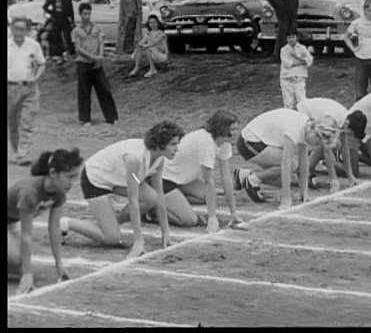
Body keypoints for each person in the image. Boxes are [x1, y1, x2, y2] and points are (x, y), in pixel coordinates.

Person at [60, 122, 184, 259]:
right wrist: (138, 240)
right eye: (173, 144)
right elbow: (133, 200)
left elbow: (160, 195)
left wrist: (165, 231)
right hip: (94, 181)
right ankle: (65, 223)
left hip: (115, 179)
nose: (177, 149)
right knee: (111, 239)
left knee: (152, 198)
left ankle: (111, 224)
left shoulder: (159, 159)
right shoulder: (134, 159)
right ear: (160, 144)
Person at [8, 148, 83, 295]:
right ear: (53, 173)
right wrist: (27, 273)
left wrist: (59, 264)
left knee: (19, 262)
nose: (72, 182)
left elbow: (54, 228)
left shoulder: (59, 194)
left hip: (11, 223)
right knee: (18, 261)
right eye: (69, 177)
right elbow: (26, 234)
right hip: (12, 223)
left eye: (75, 177)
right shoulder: (29, 191)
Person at [156, 110, 241, 233]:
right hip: (164, 178)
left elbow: (226, 177)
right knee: (189, 220)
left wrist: (234, 213)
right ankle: (152, 211)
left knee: (206, 195)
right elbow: (209, 181)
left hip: (183, 179)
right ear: (222, 129)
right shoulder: (205, 142)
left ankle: (173, 199)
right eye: (232, 130)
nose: (235, 133)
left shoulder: (224, 142)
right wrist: (212, 216)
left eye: (236, 129)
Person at [233, 108, 325, 210]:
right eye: (317, 142)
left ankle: (244, 175)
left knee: (289, 180)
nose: (315, 146)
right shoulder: (295, 128)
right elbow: (285, 163)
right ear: (314, 133)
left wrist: (304, 192)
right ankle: (252, 180)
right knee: (291, 165)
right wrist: (286, 199)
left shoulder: (307, 127)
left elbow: (304, 162)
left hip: (264, 142)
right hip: (248, 142)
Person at [296, 98, 366, 191]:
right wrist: (333, 178)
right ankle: (304, 172)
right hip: (300, 116)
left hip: (312, 119)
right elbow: (327, 151)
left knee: (337, 144)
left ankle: (306, 169)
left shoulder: (345, 118)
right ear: (348, 124)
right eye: (349, 133)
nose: (348, 135)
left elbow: (345, 150)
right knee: (330, 144)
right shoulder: (330, 122)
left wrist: (350, 175)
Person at [8, 16, 47, 166]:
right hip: (10, 88)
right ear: (11, 29)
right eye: (16, 28)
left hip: (29, 87)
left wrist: (35, 77)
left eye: (22, 29)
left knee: (27, 121)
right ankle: (16, 151)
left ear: (28, 31)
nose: (19, 32)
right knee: (13, 122)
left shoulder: (33, 45)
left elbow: (42, 64)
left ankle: (24, 152)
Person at [72, 2, 118, 127]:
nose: (87, 16)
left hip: (97, 64)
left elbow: (101, 42)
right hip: (83, 64)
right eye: (84, 14)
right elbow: (78, 48)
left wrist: (100, 57)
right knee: (84, 92)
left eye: (89, 13)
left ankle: (110, 117)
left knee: (104, 89)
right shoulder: (76, 31)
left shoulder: (97, 28)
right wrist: (93, 57)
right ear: (80, 15)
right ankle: (85, 118)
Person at [42, 0, 75, 64]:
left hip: (64, 19)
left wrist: (72, 21)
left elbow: (71, 10)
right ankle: (59, 55)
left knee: (67, 37)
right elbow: (45, 6)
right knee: (57, 38)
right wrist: (52, 12)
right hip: (56, 19)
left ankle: (71, 54)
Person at [280, 28, 313, 109]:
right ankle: (288, 119)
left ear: (296, 37)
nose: (291, 39)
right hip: (287, 78)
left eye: (293, 37)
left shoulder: (302, 48)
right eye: (289, 37)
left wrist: (300, 60)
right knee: (288, 102)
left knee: (302, 101)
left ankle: (305, 118)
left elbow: (309, 60)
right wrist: (301, 62)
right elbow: (287, 63)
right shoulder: (284, 50)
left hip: (299, 78)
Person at [129, 14, 168, 78]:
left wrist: (146, 46)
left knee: (146, 48)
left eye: (154, 22)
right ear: (149, 24)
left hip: (160, 54)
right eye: (151, 23)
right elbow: (141, 43)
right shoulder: (148, 34)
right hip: (151, 53)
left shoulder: (161, 33)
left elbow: (155, 43)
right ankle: (136, 68)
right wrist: (136, 50)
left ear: (157, 23)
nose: (152, 24)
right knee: (142, 48)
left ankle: (152, 69)